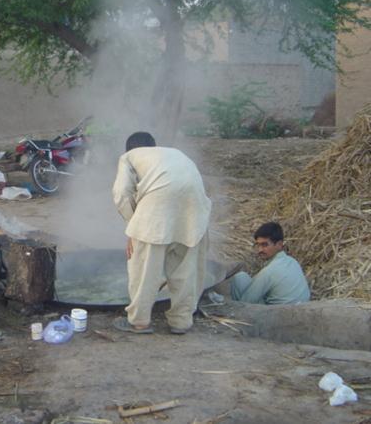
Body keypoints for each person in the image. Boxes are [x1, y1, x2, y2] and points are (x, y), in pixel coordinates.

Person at [111, 131, 212, 335]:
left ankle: (139, 321)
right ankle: (181, 322)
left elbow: (121, 194)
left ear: (129, 149)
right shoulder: (175, 154)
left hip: (157, 211)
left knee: (144, 269)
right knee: (185, 271)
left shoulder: (128, 157)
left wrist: (133, 227)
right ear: (154, 145)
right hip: (194, 213)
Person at [231, 222, 310, 304]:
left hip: (279, 310)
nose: (260, 250)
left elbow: (247, 300)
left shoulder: (269, 271)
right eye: (258, 245)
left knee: (239, 278)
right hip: (302, 307)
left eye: (264, 245)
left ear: (279, 244)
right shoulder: (293, 262)